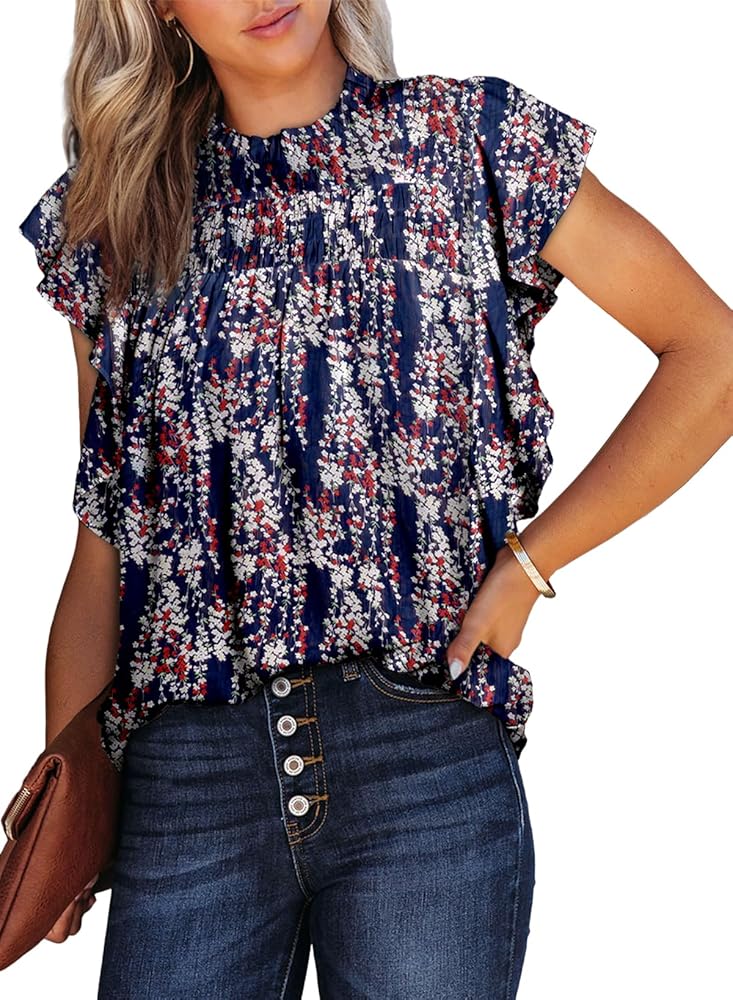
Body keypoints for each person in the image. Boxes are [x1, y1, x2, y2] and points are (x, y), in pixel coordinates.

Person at [16, 1, 731, 997]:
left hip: (421, 758)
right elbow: (107, 539)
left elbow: (711, 355)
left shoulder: (473, 142)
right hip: (185, 781)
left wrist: (529, 566)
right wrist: (72, 790)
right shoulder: (114, 220)